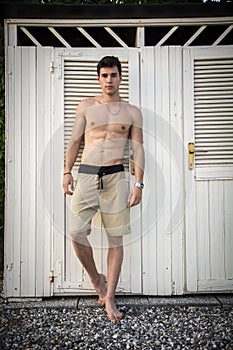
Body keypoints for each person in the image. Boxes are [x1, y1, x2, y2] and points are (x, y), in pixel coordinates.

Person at [63, 56, 144, 322]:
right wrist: (67, 171)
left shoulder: (132, 112)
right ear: (99, 78)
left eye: (114, 75)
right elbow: (75, 141)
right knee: (76, 233)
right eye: (105, 75)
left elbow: (138, 150)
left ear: (121, 77)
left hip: (115, 177)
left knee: (116, 240)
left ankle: (109, 297)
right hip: (86, 174)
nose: (109, 80)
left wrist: (139, 183)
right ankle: (97, 279)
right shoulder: (86, 106)